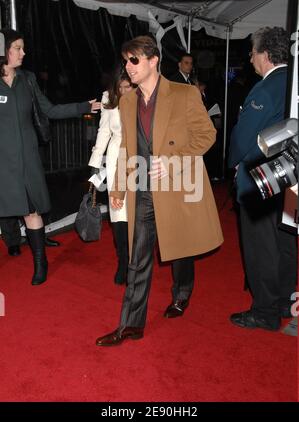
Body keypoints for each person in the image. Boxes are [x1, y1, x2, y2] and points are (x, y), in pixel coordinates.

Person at [95, 35, 223, 346]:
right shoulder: (127, 101)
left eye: (134, 60)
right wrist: (119, 189)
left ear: (154, 61)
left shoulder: (183, 93)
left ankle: (181, 294)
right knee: (137, 257)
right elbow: (127, 148)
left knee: (181, 246)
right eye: (126, 61)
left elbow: (207, 134)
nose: (128, 67)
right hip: (141, 186)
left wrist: (173, 162)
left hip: (177, 185)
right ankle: (130, 325)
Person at [0, 28, 101, 285]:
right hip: (3, 161)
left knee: (31, 210)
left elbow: (50, 110)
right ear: (3, 51)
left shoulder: (28, 80)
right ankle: (15, 243)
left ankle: (39, 262)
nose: (24, 53)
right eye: (18, 48)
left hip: (28, 159)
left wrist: (83, 107)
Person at [228, 27, 297, 331]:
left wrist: (232, 163)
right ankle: (283, 299)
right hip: (290, 178)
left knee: (261, 246)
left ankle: (266, 311)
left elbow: (244, 139)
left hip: (261, 179)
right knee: (284, 240)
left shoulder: (265, 89)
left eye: (253, 52)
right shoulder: (293, 83)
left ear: (266, 55)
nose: (251, 58)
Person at [88, 71, 134, 284]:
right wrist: (95, 163)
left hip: (140, 160)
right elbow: (104, 131)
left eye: (129, 86)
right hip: (116, 159)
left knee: (138, 214)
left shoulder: (145, 96)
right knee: (118, 214)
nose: (125, 91)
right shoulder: (108, 98)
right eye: (121, 87)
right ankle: (123, 262)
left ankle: (137, 262)